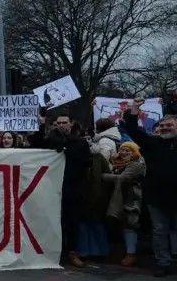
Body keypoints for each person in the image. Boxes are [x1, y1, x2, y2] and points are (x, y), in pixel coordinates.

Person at [30, 112, 92, 267]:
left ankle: (72, 252)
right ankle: (53, 251)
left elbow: (86, 161)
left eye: (65, 122)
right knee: (52, 221)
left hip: (72, 189)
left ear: (71, 124)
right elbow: (36, 145)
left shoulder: (80, 143)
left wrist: (65, 149)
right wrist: (41, 125)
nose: (62, 125)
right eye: (58, 123)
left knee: (72, 223)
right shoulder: (51, 142)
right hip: (52, 189)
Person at [124, 100, 177, 277]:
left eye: (169, 125)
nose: (165, 128)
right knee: (159, 230)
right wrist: (134, 110)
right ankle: (163, 262)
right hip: (156, 196)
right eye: (161, 125)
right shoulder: (152, 143)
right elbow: (132, 130)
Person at [103, 142, 146, 266]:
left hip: (133, 198)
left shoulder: (137, 164)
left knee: (130, 224)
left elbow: (123, 178)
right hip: (122, 196)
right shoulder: (118, 163)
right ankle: (126, 251)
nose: (124, 152)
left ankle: (131, 254)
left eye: (128, 150)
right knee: (123, 224)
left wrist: (103, 176)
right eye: (122, 149)